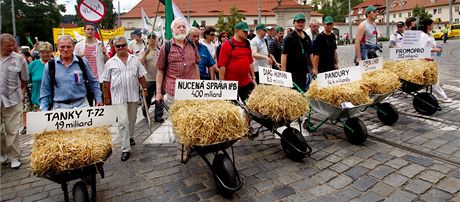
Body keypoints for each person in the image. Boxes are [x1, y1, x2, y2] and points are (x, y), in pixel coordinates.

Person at [102, 36, 148, 161]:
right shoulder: (110, 63)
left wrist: (144, 89)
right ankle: (125, 148)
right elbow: (105, 82)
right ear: (114, 47)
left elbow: (141, 76)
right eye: (118, 46)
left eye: (123, 45)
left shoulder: (135, 60)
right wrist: (106, 98)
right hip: (118, 97)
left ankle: (130, 136)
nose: (121, 48)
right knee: (123, 122)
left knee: (132, 119)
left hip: (133, 95)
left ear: (127, 46)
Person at [39, 35, 103, 111]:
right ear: (57, 47)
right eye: (62, 47)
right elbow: (45, 90)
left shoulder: (82, 62)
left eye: (68, 47)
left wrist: (99, 99)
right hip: (59, 107)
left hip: (82, 105)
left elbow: (93, 82)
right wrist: (43, 109)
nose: (65, 49)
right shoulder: (50, 66)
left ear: (73, 47)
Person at [155, 18, 200, 108]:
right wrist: (158, 93)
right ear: (173, 30)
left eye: (183, 27)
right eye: (178, 27)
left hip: (191, 91)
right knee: (174, 121)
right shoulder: (166, 47)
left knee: (191, 120)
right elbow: (160, 71)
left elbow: (195, 65)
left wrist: (199, 85)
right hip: (173, 92)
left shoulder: (192, 45)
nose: (182, 29)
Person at [0, 33, 28, 169]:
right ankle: (2, 153)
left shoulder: (19, 59)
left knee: (12, 130)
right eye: (7, 46)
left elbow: (24, 79)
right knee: (0, 131)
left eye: (13, 45)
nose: (11, 48)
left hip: (13, 99)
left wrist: (21, 93)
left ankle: (14, 157)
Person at [218, 21, 256, 102]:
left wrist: (253, 78)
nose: (246, 33)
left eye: (247, 31)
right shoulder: (227, 45)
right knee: (232, 108)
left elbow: (250, 61)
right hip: (231, 84)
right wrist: (222, 83)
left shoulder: (247, 43)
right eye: (244, 31)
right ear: (236, 31)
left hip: (246, 82)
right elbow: (222, 66)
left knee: (250, 105)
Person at [74, 24, 109, 106]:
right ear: (84, 30)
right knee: (88, 103)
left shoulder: (101, 44)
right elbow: (73, 62)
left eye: (92, 29)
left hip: (99, 79)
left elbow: (107, 62)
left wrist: (105, 54)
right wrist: (80, 57)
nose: (90, 31)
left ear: (95, 31)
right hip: (85, 80)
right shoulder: (79, 46)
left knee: (101, 103)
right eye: (88, 29)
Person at [419, 18, 452, 103]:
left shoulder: (428, 34)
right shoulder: (423, 35)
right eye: (432, 24)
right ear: (428, 25)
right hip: (425, 60)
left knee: (434, 79)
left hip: (430, 60)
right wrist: (436, 50)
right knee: (434, 80)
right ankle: (442, 97)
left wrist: (436, 46)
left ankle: (440, 96)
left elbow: (429, 44)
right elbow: (422, 49)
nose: (433, 26)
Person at [281, 13, 314, 91]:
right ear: (294, 23)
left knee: (305, 92)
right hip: (293, 73)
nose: (300, 24)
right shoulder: (289, 38)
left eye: (302, 22)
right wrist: (283, 73)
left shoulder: (307, 37)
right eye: (298, 22)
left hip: (305, 71)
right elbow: (284, 55)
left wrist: (313, 67)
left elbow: (310, 53)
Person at [139, 33, 164, 122]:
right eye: (150, 38)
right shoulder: (143, 51)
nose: (152, 40)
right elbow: (140, 63)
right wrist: (145, 55)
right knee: (148, 97)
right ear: (147, 40)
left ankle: (158, 115)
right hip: (148, 79)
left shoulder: (160, 50)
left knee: (159, 96)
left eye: (154, 38)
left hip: (158, 78)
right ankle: (145, 109)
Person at [28, 42, 53, 112]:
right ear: (39, 53)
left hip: (54, 103)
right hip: (36, 102)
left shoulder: (56, 63)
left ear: (51, 52)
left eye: (48, 52)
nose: (45, 54)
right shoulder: (33, 64)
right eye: (42, 52)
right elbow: (26, 83)